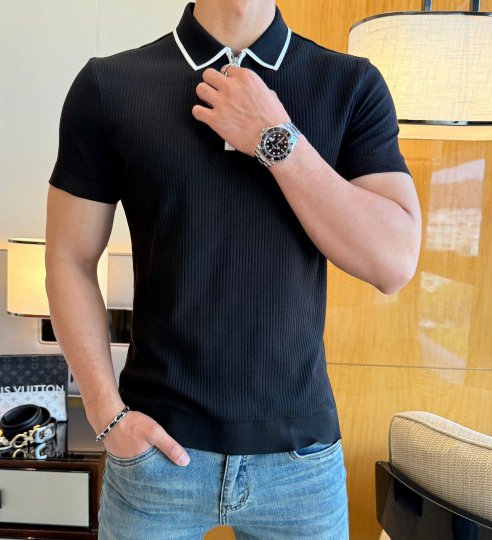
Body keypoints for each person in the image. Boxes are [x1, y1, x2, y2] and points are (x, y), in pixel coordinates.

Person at [45, 0, 421, 538]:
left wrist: (276, 139)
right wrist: (107, 415)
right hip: (153, 456)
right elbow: (70, 258)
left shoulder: (351, 84)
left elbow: (393, 262)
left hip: (301, 467)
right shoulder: (109, 85)